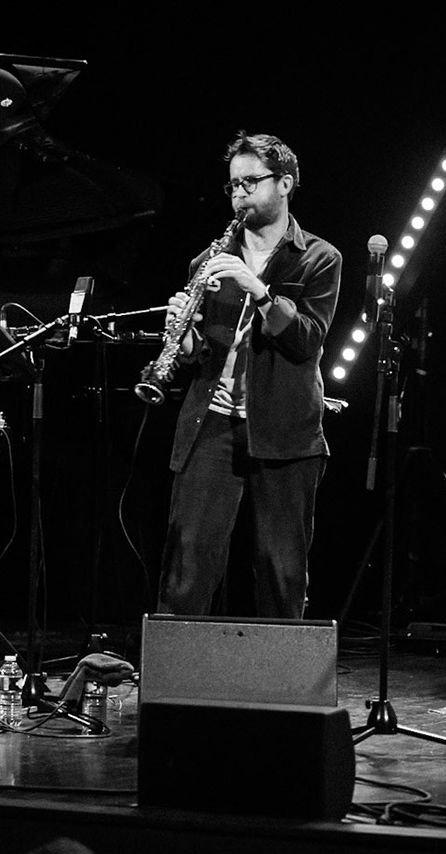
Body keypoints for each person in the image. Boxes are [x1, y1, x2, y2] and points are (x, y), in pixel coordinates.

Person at [154, 132, 341, 620]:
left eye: (250, 182)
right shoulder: (206, 262)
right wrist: (185, 334)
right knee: (188, 563)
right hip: (212, 424)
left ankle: (279, 691)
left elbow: (305, 340)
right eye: (233, 185)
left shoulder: (320, 258)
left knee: (281, 570)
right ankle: (177, 683)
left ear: (284, 183)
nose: (239, 194)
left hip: (283, 431)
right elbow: (201, 357)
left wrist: (257, 289)